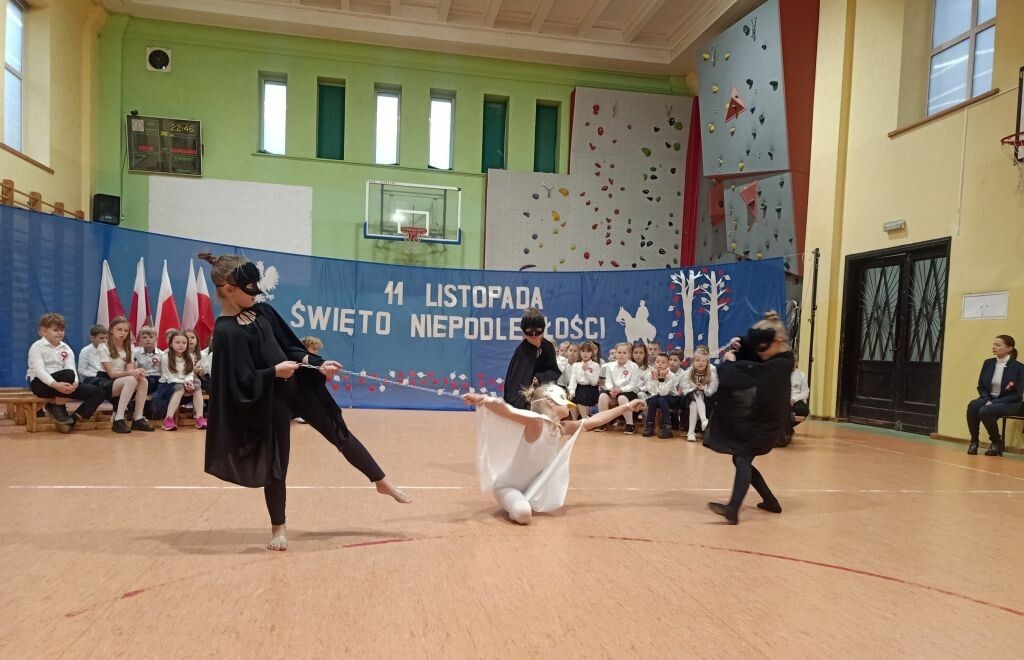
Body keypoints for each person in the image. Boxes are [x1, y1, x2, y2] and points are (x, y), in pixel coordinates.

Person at [198, 251, 408, 552]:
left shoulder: (263, 311)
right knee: (277, 464)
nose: (256, 296)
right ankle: (278, 528)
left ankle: (380, 480)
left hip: (298, 387)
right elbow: (237, 380)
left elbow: (291, 347)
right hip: (270, 400)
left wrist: (317, 364)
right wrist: (274, 372)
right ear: (229, 289)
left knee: (339, 431)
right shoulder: (225, 331)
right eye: (250, 291)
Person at [463, 384, 644, 525]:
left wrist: (627, 406)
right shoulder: (536, 424)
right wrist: (485, 400)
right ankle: (515, 503)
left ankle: (523, 500)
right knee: (523, 514)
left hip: (531, 489)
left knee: (525, 509)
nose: (568, 405)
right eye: (563, 400)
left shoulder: (561, 428)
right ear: (550, 401)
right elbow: (510, 412)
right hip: (507, 487)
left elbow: (594, 420)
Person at [704, 311, 794, 524]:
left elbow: (751, 373)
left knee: (742, 458)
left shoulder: (782, 364)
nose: (759, 353)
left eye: (763, 348)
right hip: (759, 420)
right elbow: (754, 352)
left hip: (769, 423)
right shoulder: (773, 355)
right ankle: (770, 502)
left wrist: (730, 363)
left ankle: (733, 509)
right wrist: (742, 344)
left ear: (778, 342)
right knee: (740, 458)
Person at [26, 313, 107, 433]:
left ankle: (73, 419)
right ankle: (59, 407)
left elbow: (71, 367)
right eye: (55, 330)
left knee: (99, 392)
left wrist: (75, 383)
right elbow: (39, 370)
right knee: (67, 374)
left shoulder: (66, 348)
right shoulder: (37, 347)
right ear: (45, 331)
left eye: (62, 330)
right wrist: (55, 384)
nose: (59, 333)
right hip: (41, 384)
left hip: (64, 385)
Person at [965, 335, 1023, 457]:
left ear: (1009, 348)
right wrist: (987, 399)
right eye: (993, 344)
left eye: (998, 345)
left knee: (985, 410)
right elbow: (981, 386)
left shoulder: (1019, 367)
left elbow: (1017, 394)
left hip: (1011, 403)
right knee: (973, 405)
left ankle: (996, 442)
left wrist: (994, 402)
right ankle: (974, 442)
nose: (994, 347)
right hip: (989, 399)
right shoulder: (988, 363)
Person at [98, 316, 154, 434]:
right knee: (131, 379)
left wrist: (137, 372)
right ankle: (119, 419)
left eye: (126, 331)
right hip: (106, 381)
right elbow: (111, 374)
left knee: (143, 380)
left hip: (123, 379)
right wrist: (131, 372)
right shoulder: (103, 347)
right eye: (119, 329)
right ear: (111, 330)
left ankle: (138, 418)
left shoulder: (129, 348)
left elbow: (130, 370)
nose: (123, 333)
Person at [503, 308, 560, 409]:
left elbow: (555, 372)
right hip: (524, 401)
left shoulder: (548, 347)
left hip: (544, 393)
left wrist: (540, 378)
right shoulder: (521, 351)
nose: (534, 335)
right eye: (529, 331)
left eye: (537, 330)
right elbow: (515, 384)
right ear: (524, 331)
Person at [157, 329, 207, 431]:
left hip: (184, 384)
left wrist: (189, 381)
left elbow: (189, 373)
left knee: (197, 386)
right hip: (168, 385)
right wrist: (184, 382)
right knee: (180, 387)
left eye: (184, 343)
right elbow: (169, 377)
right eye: (177, 342)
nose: (181, 345)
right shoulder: (165, 357)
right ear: (171, 344)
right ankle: (168, 419)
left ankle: (199, 418)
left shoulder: (190, 356)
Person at [597, 342, 640, 434]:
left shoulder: (634, 366)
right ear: (615, 353)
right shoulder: (610, 366)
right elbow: (608, 382)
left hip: (628, 392)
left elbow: (632, 385)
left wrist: (620, 390)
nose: (621, 355)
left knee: (622, 397)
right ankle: (603, 422)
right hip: (613, 391)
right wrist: (611, 389)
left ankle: (629, 424)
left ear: (629, 354)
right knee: (603, 396)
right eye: (619, 352)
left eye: (624, 353)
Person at [681, 347, 718, 442]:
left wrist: (703, 389)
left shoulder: (711, 374)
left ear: (707, 362)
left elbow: (712, 390)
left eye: (703, 361)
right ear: (693, 362)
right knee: (696, 394)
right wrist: (694, 388)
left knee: (694, 403)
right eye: (697, 360)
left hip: (707, 399)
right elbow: (684, 389)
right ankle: (704, 420)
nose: (700, 363)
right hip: (688, 398)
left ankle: (691, 433)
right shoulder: (688, 372)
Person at [642, 353, 676, 439]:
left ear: (668, 364)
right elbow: (653, 392)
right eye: (658, 362)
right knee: (653, 399)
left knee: (662, 399)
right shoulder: (651, 374)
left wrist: (662, 378)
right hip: (657, 398)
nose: (660, 364)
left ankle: (667, 428)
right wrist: (654, 378)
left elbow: (663, 393)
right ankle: (649, 426)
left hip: (671, 398)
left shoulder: (671, 376)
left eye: (663, 362)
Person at [133, 326, 164, 418]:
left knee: (164, 387)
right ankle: (140, 411)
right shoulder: (135, 353)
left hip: (157, 378)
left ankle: (157, 412)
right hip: (143, 378)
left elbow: (163, 371)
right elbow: (133, 368)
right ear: (140, 340)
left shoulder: (161, 354)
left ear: (156, 339)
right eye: (144, 337)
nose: (148, 340)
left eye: (151, 337)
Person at [568, 340, 601, 419]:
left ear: (592, 353)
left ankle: (584, 418)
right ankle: (575, 420)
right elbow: (573, 380)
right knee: (570, 399)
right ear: (580, 352)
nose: (585, 354)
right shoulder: (576, 365)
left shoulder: (595, 365)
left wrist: (586, 371)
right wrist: (571, 391)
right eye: (583, 351)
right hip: (578, 387)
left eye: (588, 351)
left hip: (590, 389)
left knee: (580, 398)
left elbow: (594, 382)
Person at [667, 349, 685, 431]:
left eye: (675, 360)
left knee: (679, 401)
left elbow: (680, 392)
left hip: (677, 397)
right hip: (666, 395)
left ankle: (676, 423)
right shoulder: (665, 371)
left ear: (681, 362)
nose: (672, 362)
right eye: (670, 360)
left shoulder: (683, 374)